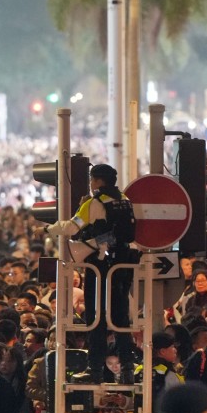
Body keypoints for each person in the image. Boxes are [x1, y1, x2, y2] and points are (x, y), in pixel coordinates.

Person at [45, 163, 137, 383]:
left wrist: (49, 227)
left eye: (91, 178)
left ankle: (94, 370)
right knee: (120, 319)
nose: (90, 182)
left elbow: (71, 227)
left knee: (95, 318)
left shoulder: (93, 203)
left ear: (97, 181)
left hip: (99, 266)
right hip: (122, 266)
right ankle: (127, 370)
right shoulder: (125, 200)